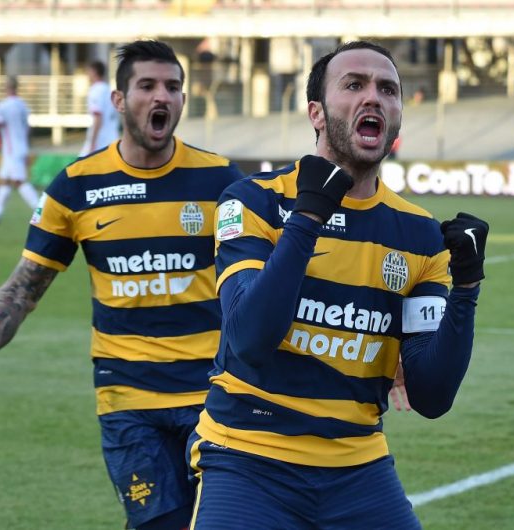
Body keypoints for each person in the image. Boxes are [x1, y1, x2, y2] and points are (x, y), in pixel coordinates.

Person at [0, 40, 243, 530]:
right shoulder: (77, 186)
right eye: (147, 86)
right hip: (126, 398)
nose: (161, 96)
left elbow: (264, 281)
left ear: (183, 99)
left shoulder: (221, 180)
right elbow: (23, 288)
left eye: (172, 87)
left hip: (212, 393)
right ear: (118, 99)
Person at [186, 40, 489, 529]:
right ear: (317, 113)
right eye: (353, 85)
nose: (373, 97)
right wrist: (308, 217)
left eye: (387, 89)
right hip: (247, 457)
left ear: (397, 118)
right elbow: (248, 341)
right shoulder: (254, 201)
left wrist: (467, 289)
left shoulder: (419, 235)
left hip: (358, 469)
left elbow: (432, 396)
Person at [0, 76, 40, 225]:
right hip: (19, 148)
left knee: (19, 182)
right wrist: (26, 147)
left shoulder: (4, 106)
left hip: (11, 150)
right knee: (5, 181)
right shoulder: (23, 105)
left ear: (6, 87)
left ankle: (42, 212)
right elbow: (28, 128)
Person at [79, 59, 120, 156]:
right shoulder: (108, 89)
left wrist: (93, 143)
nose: (87, 74)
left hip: (101, 140)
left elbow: (98, 117)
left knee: (83, 163)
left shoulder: (96, 90)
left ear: (94, 72)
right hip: (112, 138)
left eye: (88, 71)